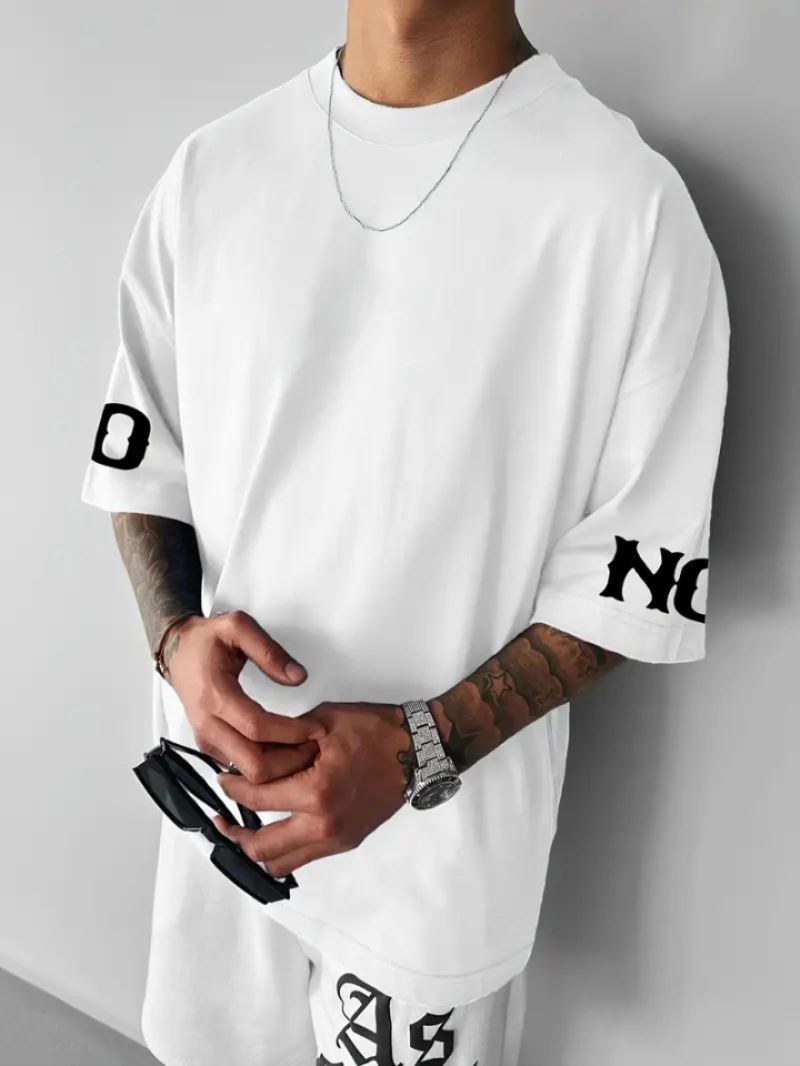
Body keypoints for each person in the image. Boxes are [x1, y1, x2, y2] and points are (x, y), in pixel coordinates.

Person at [80, 1, 731, 1063]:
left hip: (436, 864)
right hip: (218, 815)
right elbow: (145, 455)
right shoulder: (214, 169)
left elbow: (635, 577)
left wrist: (423, 746)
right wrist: (173, 638)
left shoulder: (625, 207)